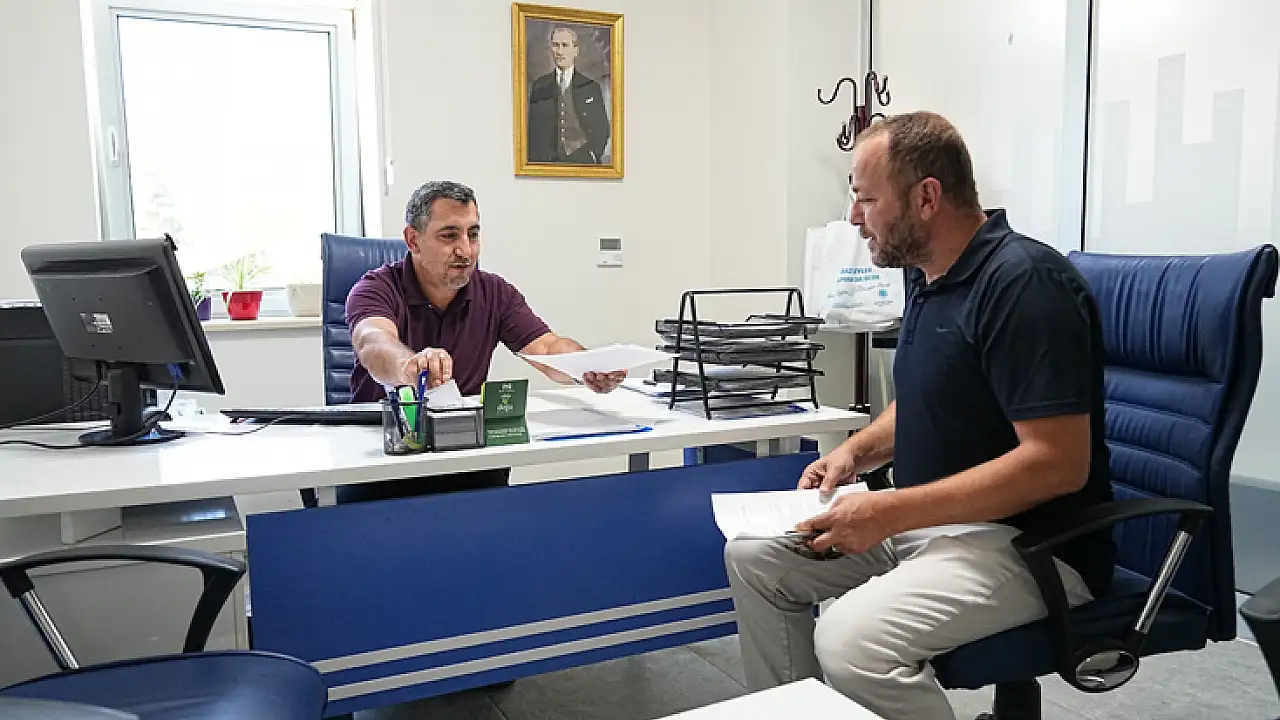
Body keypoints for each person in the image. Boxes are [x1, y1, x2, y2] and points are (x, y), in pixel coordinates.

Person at [723, 112, 1115, 720]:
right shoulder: (928, 276)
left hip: (1030, 547)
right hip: (932, 525)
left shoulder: (1023, 284)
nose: (854, 219)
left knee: (851, 641)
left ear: (926, 198)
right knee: (758, 562)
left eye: (866, 199)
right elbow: (931, 396)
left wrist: (889, 511)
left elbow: (1058, 464)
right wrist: (856, 452)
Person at [342, 180, 626, 502]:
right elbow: (373, 342)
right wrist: (408, 365)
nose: (465, 251)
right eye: (449, 236)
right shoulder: (375, 288)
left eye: (473, 234)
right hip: (386, 453)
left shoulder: (494, 293)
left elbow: (546, 348)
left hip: (463, 451)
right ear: (413, 240)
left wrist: (587, 366)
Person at [527, 26, 610, 164]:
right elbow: (533, 130)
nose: (559, 51)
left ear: (575, 50)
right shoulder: (539, 86)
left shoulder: (590, 87)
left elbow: (602, 129)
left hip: (582, 163)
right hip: (548, 164)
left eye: (565, 45)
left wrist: (592, 155)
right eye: (555, 45)